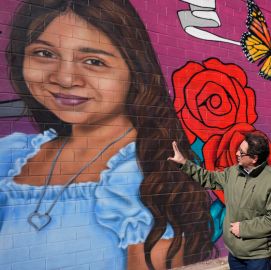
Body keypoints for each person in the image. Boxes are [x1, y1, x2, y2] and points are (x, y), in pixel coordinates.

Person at [1, 0, 213, 269]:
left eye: (93, 61)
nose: (65, 78)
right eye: (44, 54)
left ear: (134, 70)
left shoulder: (143, 170)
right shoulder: (11, 155)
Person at [168, 132, 271, 270]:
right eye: (238, 149)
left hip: (257, 256)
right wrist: (184, 163)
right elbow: (208, 177)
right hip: (234, 253)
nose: (237, 153)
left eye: (241, 152)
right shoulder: (232, 172)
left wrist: (244, 228)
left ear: (254, 158)